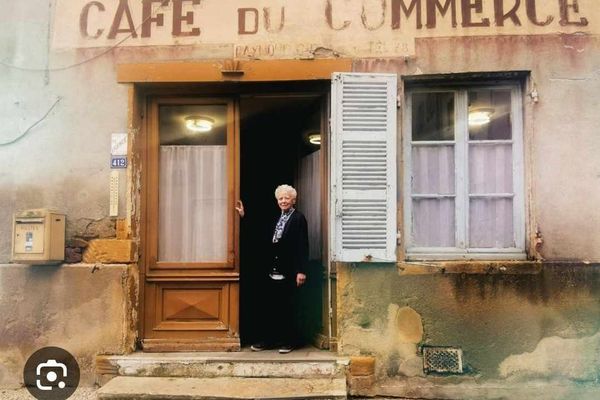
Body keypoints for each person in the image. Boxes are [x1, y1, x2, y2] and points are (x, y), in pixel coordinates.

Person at [236, 184, 308, 354]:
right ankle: (268, 340)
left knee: (288, 307)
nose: (283, 201)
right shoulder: (275, 218)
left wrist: (301, 270)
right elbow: (259, 234)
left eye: (286, 198)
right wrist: (243, 215)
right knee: (269, 306)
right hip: (271, 270)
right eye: (280, 198)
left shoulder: (299, 218)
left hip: (290, 270)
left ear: (293, 200)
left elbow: (302, 245)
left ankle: (289, 341)